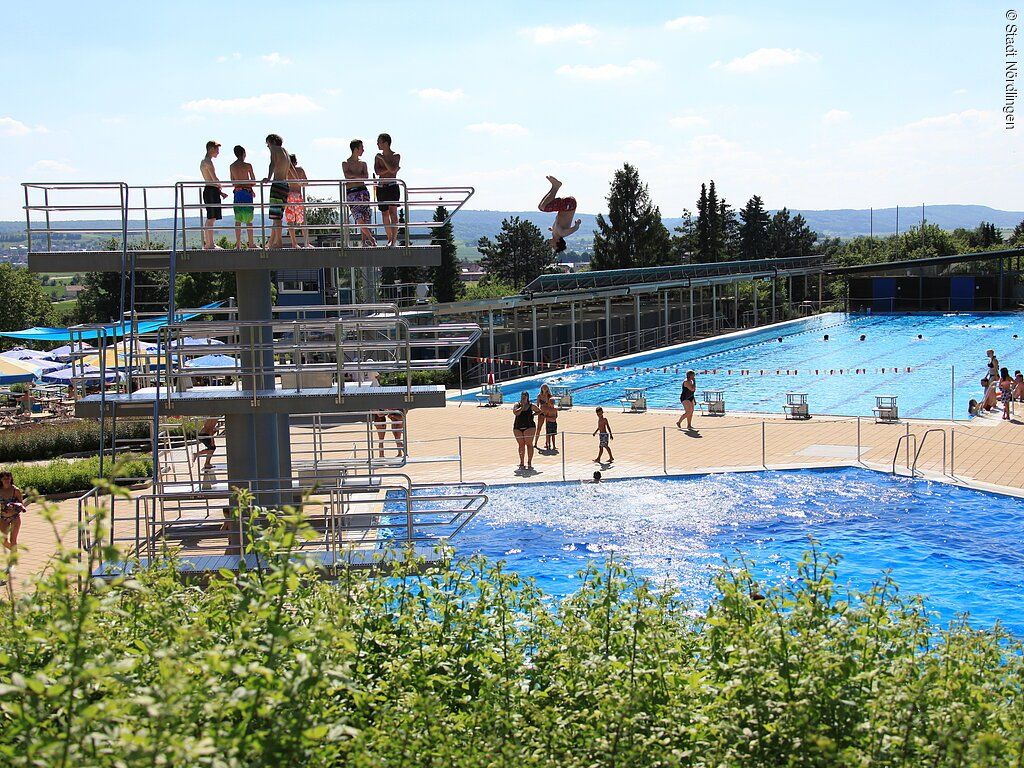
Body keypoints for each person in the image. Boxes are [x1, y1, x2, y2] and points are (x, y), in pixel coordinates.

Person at [343, 139, 377, 247]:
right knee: (358, 217)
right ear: (356, 149)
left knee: (366, 216)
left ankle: (364, 241)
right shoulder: (346, 163)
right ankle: (371, 238)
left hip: (363, 191)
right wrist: (358, 176)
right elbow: (348, 176)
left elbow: (365, 176)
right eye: (361, 147)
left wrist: (355, 176)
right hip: (352, 193)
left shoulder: (363, 163)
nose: (363, 150)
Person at [262, 134, 293, 250]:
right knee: (278, 215)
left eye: (268, 144)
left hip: (278, 184)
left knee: (276, 217)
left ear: (273, 142)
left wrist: (268, 178)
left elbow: (272, 163)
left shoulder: (275, 149)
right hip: (285, 185)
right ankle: (272, 242)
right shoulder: (285, 151)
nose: (268, 147)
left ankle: (278, 242)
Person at [537, 176, 581, 254]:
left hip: (566, 206)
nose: (551, 245)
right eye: (553, 246)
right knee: (544, 207)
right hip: (569, 206)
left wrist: (552, 229)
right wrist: (577, 224)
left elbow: (558, 226)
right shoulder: (562, 233)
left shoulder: (555, 233)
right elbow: (575, 229)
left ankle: (554, 186)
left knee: (541, 207)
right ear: (557, 242)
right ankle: (556, 186)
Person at [374, 133, 401, 247]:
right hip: (381, 187)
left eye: (379, 142)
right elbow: (378, 172)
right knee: (384, 214)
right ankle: (389, 238)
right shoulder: (377, 157)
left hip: (392, 186)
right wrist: (389, 169)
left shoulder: (396, 155)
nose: (377, 144)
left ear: (386, 143)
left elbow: (393, 170)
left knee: (393, 213)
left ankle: (394, 240)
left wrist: (384, 160)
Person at [200, 140, 227, 249]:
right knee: (211, 217)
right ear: (211, 149)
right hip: (211, 190)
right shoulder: (207, 162)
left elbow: (211, 180)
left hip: (211, 190)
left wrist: (219, 191)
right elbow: (214, 178)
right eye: (217, 150)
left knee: (211, 217)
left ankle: (209, 243)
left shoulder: (204, 161)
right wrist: (220, 185)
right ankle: (209, 244)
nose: (218, 153)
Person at [229, 145, 257, 249]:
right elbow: (253, 181)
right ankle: (251, 243)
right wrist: (248, 185)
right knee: (249, 219)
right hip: (247, 193)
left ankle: (238, 244)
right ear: (244, 153)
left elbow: (233, 181)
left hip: (237, 193)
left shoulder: (232, 166)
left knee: (238, 219)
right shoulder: (248, 165)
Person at [286, 153, 312, 248]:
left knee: (290, 221)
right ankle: (306, 242)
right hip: (297, 196)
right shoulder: (300, 170)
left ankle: (294, 243)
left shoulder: (286, 171)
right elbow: (306, 182)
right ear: (295, 161)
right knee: (302, 220)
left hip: (289, 196)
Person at [512, 391, 540, 470]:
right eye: (522, 396)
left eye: (524, 396)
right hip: (518, 426)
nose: (523, 398)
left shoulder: (531, 406)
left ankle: (529, 462)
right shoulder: (517, 405)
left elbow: (539, 411)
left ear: (527, 397)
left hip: (529, 426)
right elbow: (516, 413)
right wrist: (522, 407)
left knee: (529, 444)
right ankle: (521, 462)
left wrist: (533, 415)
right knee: (521, 445)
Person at [0, 471, 25, 550]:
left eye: (8, 478)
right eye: (4, 478)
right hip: (3, 518)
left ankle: (13, 558)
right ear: (0, 479)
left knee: (13, 540)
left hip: (15, 517)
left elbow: (21, 504)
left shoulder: (16, 490)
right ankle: (14, 550)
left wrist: (14, 508)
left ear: (11, 478)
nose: (6, 480)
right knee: (3, 541)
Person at [534, 383, 553, 448]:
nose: (544, 388)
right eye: (543, 387)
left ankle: (547, 443)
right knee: (539, 428)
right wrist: (537, 412)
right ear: (541, 388)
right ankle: (535, 443)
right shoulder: (539, 396)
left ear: (548, 388)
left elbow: (552, 406)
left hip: (548, 414)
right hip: (541, 414)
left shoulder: (549, 396)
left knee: (547, 429)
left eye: (546, 387)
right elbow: (537, 406)